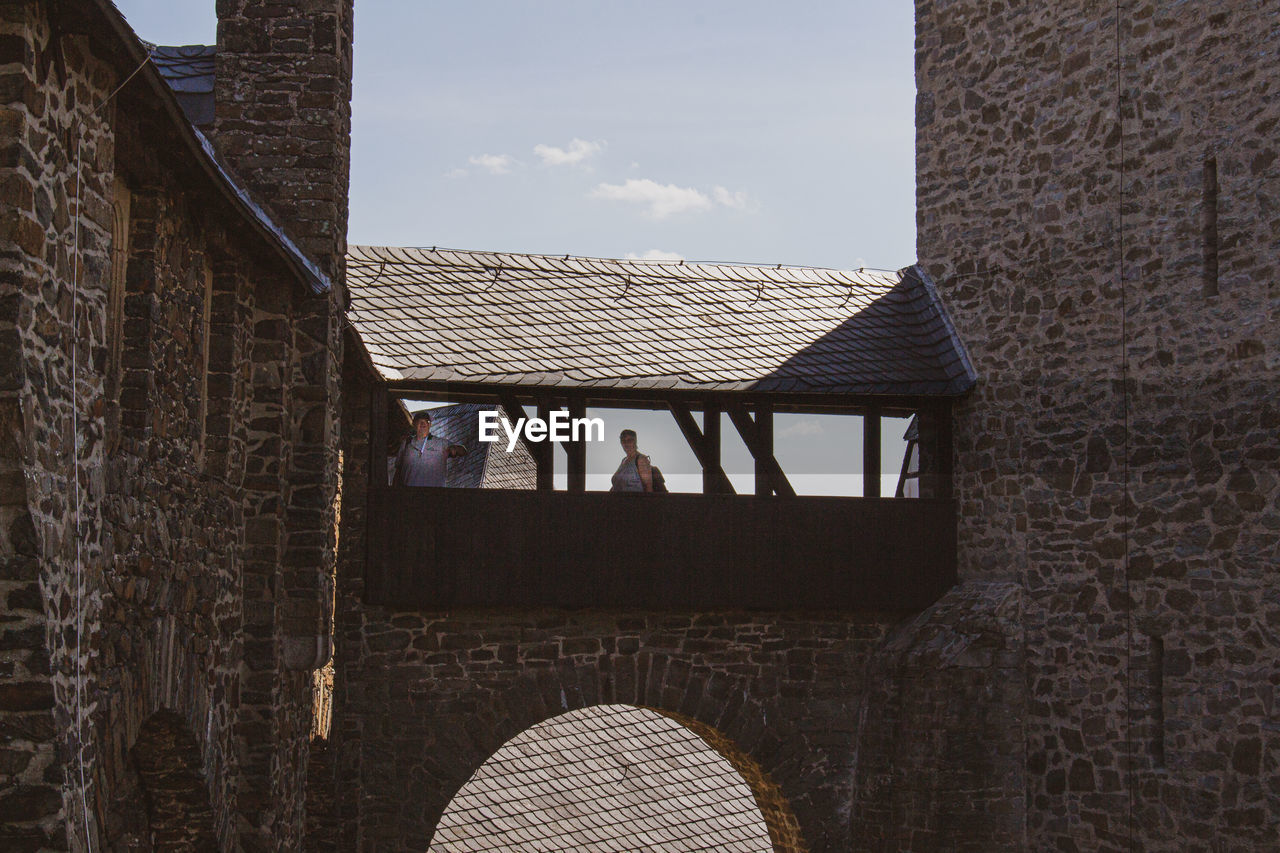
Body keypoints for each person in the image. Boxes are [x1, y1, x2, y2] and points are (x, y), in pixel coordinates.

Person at [391, 411, 467, 487]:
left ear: (430, 424)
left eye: (426, 421)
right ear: (414, 424)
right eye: (419, 421)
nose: (423, 423)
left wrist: (455, 448)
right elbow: (398, 470)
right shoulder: (406, 443)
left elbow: (464, 451)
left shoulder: (441, 443)